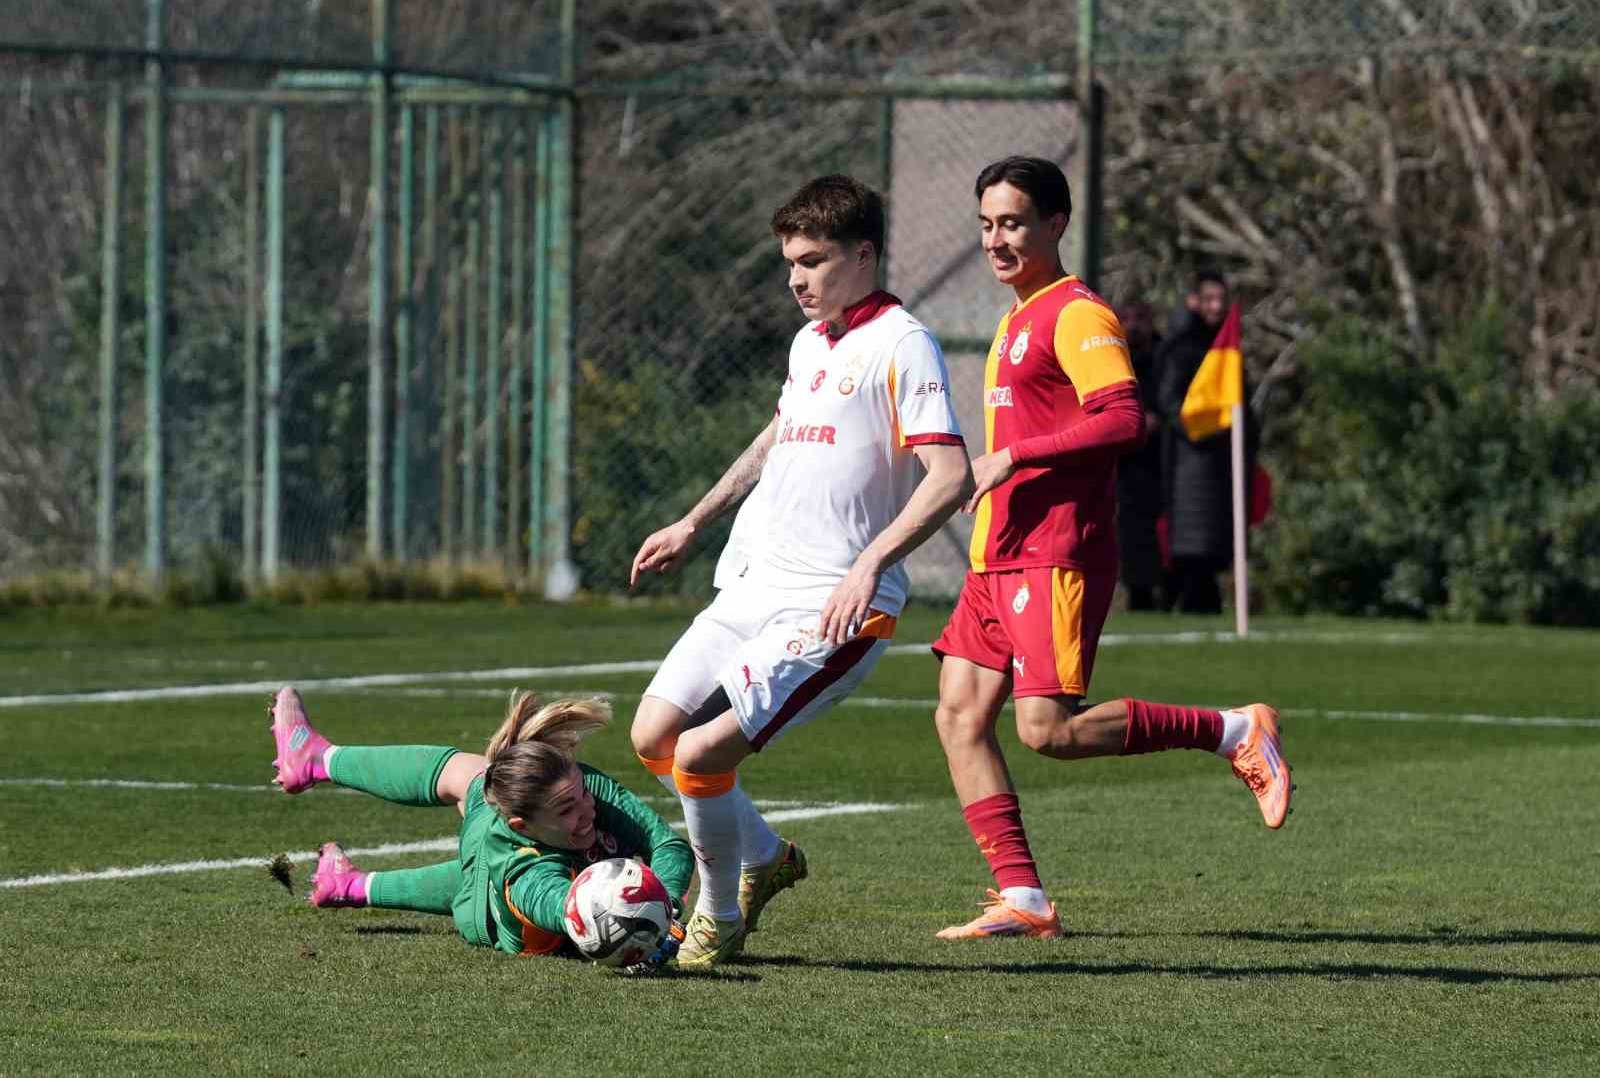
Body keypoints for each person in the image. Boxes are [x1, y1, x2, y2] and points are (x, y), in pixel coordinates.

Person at [929, 156, 1291, 941]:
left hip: (1055, 549)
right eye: (987, 224)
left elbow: (1124, 420)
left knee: (1046, 730)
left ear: (1056, 224)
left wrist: (1011, 458)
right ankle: (1022, 899)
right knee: (958, 716)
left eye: (1014, 223)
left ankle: (1235, 731)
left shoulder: (1075, 312)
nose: (997, 239)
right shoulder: (1016, 315)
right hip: (999, 554)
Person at [627, 174, 973, 969]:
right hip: (752, 585)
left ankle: (716, 920)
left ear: (864, 254)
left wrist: (873, 560)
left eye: (814, 260)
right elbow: (779, 435)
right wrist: (691, 520)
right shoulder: (809, 342)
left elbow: (950, 475)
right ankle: (768, 857)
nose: (796, 277)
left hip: (832, 607)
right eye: (789, 260)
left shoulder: (903, 342)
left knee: (702, 754)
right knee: (654, 735)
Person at [266, 684, 693, 965]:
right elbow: (561, 906)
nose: (587, 811)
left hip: (500, 863)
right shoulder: (520, 863)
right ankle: (318, 760)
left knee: (480, 780)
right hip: (487, 912)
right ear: (523, 825)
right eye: (566, 811)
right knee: (473, 790)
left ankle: (346, 884)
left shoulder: (581, 787)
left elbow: (666, 844)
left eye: (582, 794)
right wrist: (632, 919)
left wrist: (666, 902)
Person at [1154, 269, 1257, 614]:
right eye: (1209, 299)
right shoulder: (1181, 347)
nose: (1216, 306)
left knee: (1217, 539)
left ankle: (1207, 600)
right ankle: (1188, 600)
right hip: (1189, 458)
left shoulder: (1227, 347)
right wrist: (1202, 426)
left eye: (1221, 299)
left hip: (1223, 458)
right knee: (1192, 540)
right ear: (1193, 301)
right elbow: (1168, 400)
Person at [1113, 300, 1165, 610]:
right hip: (1125, 462)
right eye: (1127, 319)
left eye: (1140, 318)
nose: (1133, 326)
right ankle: (1137, 594)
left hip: (1160, 459)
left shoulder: (1162, 357)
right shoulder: (1112, 357)